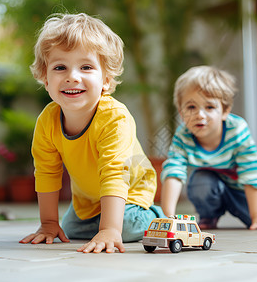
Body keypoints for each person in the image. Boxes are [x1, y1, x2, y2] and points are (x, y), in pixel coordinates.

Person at [19, 13, 164, 253]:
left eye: (86, 67)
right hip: (87, 200)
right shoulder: (47, 120)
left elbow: (115, 173)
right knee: (70, 229)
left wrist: (110, 230)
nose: (72, 76)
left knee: (124, 227)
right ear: (45, 79)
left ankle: (156, 216)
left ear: (106, 79)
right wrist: (48, 224)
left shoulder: (114, 118)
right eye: (60, 67)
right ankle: (102, 221)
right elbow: (46, 171)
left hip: (130, 194)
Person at [160, 65, 257, 231]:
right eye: (191, 107)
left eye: (210, 107)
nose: (200, 115)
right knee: (200, 180)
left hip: (242, 187)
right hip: (215, 186)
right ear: (181, 112)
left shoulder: (237, 131)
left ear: (225, 111)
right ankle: (209, 215)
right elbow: (173, 172)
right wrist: (167, 217)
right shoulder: (183, 135)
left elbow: (250, 171)